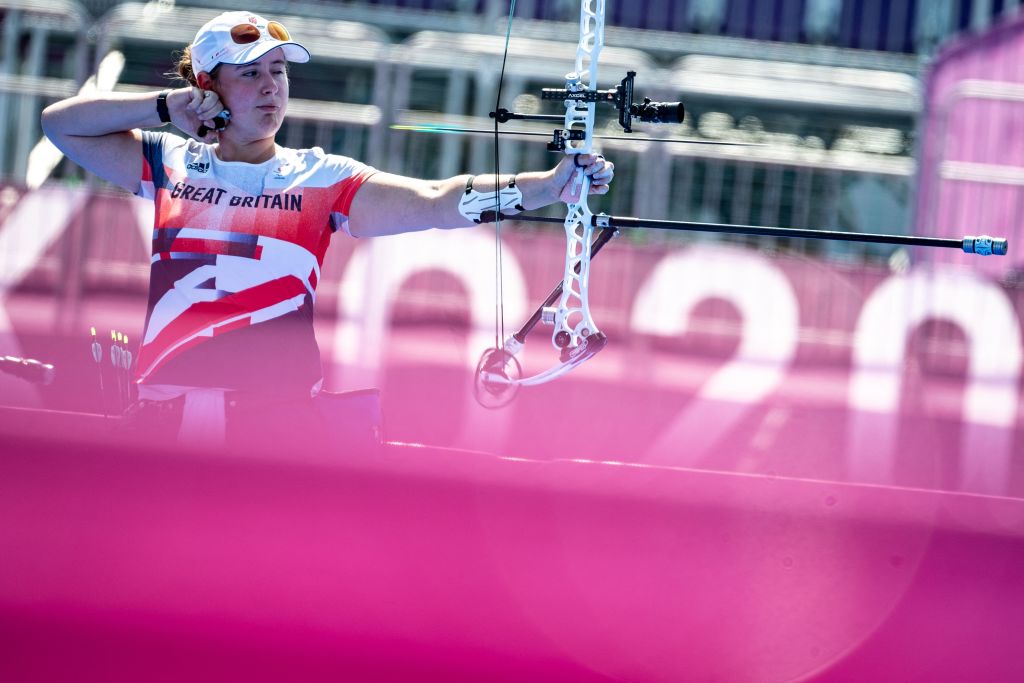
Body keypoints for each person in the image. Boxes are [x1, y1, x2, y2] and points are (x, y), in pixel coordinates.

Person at [40, 10, 614, 453]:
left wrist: (546, 186)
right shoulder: (170, 162)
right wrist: (168, 107)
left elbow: (436, 199)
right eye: (251, 73)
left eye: (279, 71)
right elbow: (61, 125)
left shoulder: (320, 177)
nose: (272, 87)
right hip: (161, 424)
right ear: (207, 86)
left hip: (272, 427)